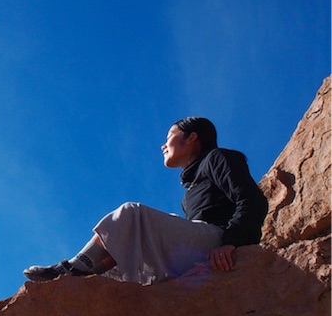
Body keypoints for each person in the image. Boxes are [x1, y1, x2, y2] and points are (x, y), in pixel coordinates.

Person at [23, 117, 269, 286]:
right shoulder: (189, 193)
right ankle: (87, 283)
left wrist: (231, 243)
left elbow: (252, 200)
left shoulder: (218, 158)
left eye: (170, 136)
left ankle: (73, 269)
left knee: (131, 213)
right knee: (128, 248)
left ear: (192, 137)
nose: (163, 144)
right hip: (200, 247)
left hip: (219, 240)